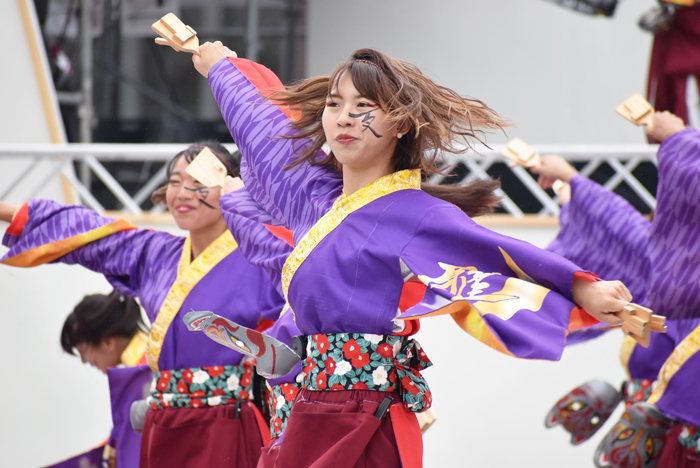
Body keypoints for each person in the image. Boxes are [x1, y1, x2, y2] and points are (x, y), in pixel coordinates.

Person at [193, 44, 635, 467]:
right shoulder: (313, 199)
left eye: (363, 105)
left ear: (402, 124)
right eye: (334, 103)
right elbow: (265, 134)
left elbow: (501, 257)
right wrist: (222, 71)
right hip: (304, 407)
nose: (344, 117)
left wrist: (583, 288)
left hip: (366, 416)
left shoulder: (415, 213)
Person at [0, 142, 286, 468]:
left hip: (226, 424)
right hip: (163, 422)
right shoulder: (155, 253)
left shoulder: (261, 257)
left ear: (232, 187)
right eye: (175, 182)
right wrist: (7, 212)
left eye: (198, 182)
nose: (183, 193)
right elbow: (93, 232)